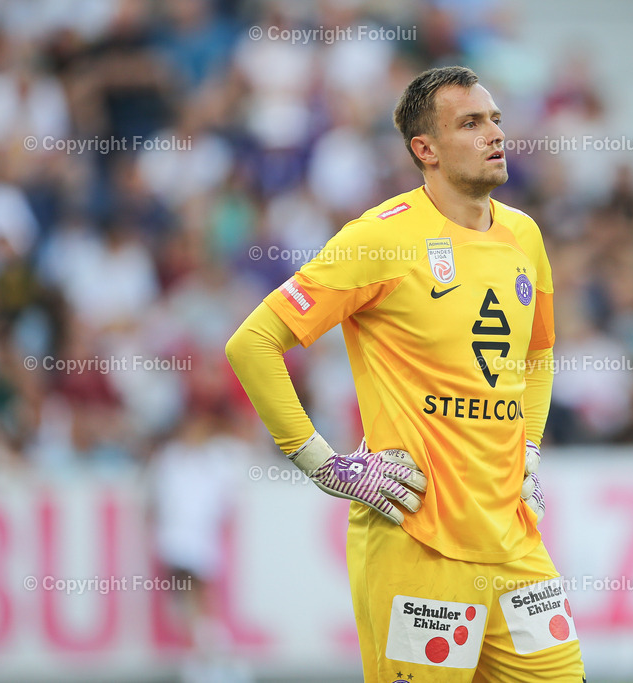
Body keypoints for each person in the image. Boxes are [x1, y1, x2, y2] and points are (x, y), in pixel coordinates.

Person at [225, 66, 585, 682]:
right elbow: (253, 343)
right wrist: (322, 463)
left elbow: (538, 352)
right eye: (470, 124)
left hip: (515, 543)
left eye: (495, 119)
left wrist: (527, 445)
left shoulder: (524, 235)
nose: (494, 133)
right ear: (426, 150)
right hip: (417, 542)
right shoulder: (379, 239)